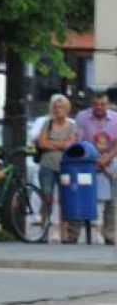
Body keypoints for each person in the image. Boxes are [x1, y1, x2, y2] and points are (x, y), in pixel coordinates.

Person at [70, 91, 117, 244]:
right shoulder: (82, 117)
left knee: (112, 200)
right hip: (86, 161)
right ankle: (73, 234)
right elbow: (78, 140)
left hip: (110, 160)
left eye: (102, 104)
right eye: (96, 104)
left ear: (107, 104)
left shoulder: (115, 118)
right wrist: (94, 159)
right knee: (78, 195)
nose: (99, 107)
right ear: (91, 104)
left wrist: (107, 158)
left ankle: (109, 235)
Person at [35, 94, 78, 240]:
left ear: (67, 109)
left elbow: (69, 145)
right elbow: (41, 143)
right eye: (56, 107)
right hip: (47, 165)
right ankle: (44, 231)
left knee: (64, 199)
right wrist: (60, 144)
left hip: (65, 166)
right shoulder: (47, 123)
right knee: (46, 198)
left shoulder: (72, 125)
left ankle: (64, 233)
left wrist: (51, 143)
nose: (58, 110)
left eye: (61, 107)